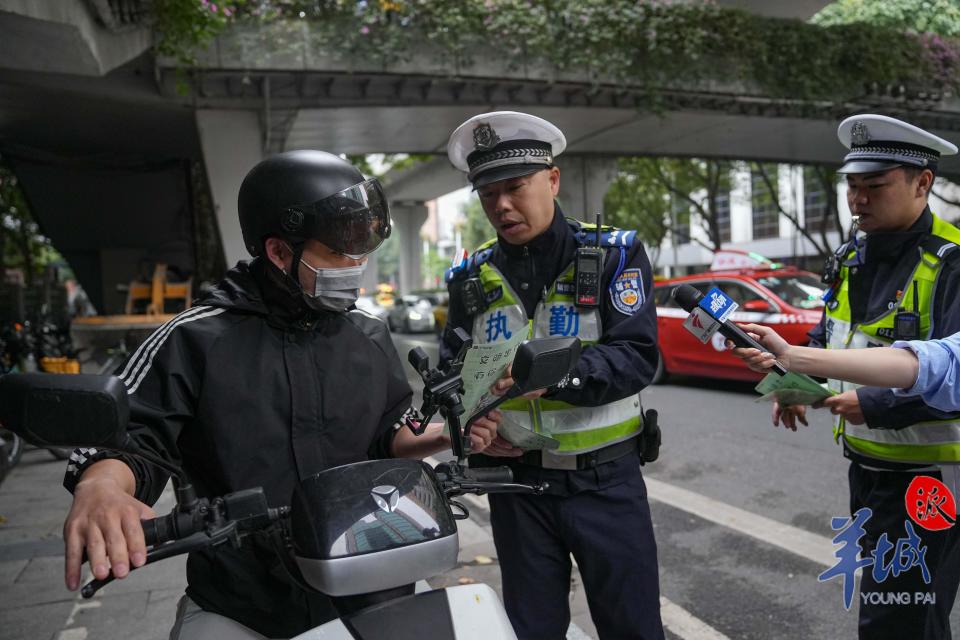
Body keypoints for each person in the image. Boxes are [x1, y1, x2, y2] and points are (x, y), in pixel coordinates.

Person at [60, 151, 501, 639]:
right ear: (277, 252)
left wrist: (444, 437)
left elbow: (390, 433)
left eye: (363, 252)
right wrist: (100, 488)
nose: (357, 266)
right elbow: (129, 438)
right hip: (246, 601)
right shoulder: (195, 338)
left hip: (374, 582)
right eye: (339, 252)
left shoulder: (369, 336)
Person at [441, 111, 663, 639]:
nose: (501, 205)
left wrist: (554, 378)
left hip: (606, 482)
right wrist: (471, 430)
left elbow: (637, 355)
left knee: (631, 627)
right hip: (516, 487)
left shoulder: (613, 255)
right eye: (487, 194)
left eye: (515, 187)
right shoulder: (470, 277)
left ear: (553, 179)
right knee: (531, 628)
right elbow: (454, 375)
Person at [768, 114, 960, 639]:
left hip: (931, 479)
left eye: (874, 187)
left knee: (899, 617)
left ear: (924, 183)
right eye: (852, 186)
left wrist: (874, 404)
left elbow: (955, 373)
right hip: (868, 469)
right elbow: (830, 335)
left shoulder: (951, 263)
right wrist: (793, 384)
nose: (857, 200)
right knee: (905, 613)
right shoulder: (852, 254)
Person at [730, 325, 960, 413]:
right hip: (857, 453)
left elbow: (938, 370)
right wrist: (791, 360)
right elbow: (931, 365)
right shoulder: (848, 257)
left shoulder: (950, 256)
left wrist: (870, 401)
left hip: (930, 466)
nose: (854, 214)